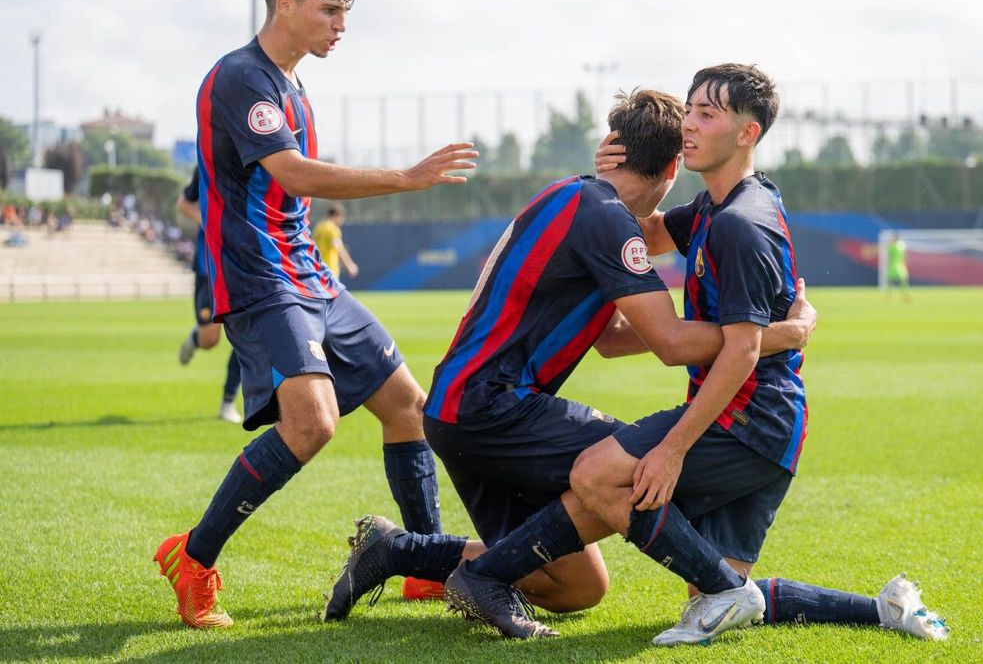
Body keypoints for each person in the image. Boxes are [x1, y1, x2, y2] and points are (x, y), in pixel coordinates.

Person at [439, 65, 948, 645]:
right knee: (713, 588)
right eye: (690, 111)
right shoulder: (714, 208)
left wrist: (673, 449)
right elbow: (645, 232)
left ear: (747, 133)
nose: (690, 124)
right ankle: (886, 611)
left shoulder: (741, 225)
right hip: (763, 424)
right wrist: (612, 180)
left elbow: (740, 352)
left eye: (707, 114)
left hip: (746, 421)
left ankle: (482, 575)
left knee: (600, 475)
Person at [319, 89, 816, 634]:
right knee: (635, 469)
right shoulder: (607, 219)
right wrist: (778, 335)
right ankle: (727, 590)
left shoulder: (573, 196)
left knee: (577, 586)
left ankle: (398, 550)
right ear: (673, 166)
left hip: (459, 410)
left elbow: (613, 339)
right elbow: (672, 344)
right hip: (493, 406)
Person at [153, 0, 478, 629]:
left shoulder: (292, 84)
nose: (341, 25)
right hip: (261, 276)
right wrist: (406, 177)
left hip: (309, 274)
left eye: (344, 13)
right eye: (329, 10)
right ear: (285, 3)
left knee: (408, 406)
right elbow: (295, 174)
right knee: (312, 423)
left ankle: (424, 566)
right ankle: (194, 558)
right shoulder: (242, 77)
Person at [175, 166, 244, 424]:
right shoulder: (207, 163)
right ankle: (196, 339)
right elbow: (183, 203)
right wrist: (204, 218)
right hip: (209, 266)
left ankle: (228, 401)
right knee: (210, 338)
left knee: (245, 336)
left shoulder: (259, 159)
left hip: (243, 264)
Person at [312, 204, 358, 279]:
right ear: (336, 216)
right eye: (342, 217)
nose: (342, 220)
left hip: (316, 269)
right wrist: (350, 265)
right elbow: (339, 248)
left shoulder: (318, 227)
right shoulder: (332, 228)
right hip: (329, 270)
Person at [886, 231, 911, 301]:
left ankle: (890, 295)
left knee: (892, 280)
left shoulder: (892, 246)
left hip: (895, 265)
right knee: (902, 280)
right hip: (898, 265)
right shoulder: (901, 245)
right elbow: (903, 256)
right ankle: (904, 295)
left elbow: (890, 256)